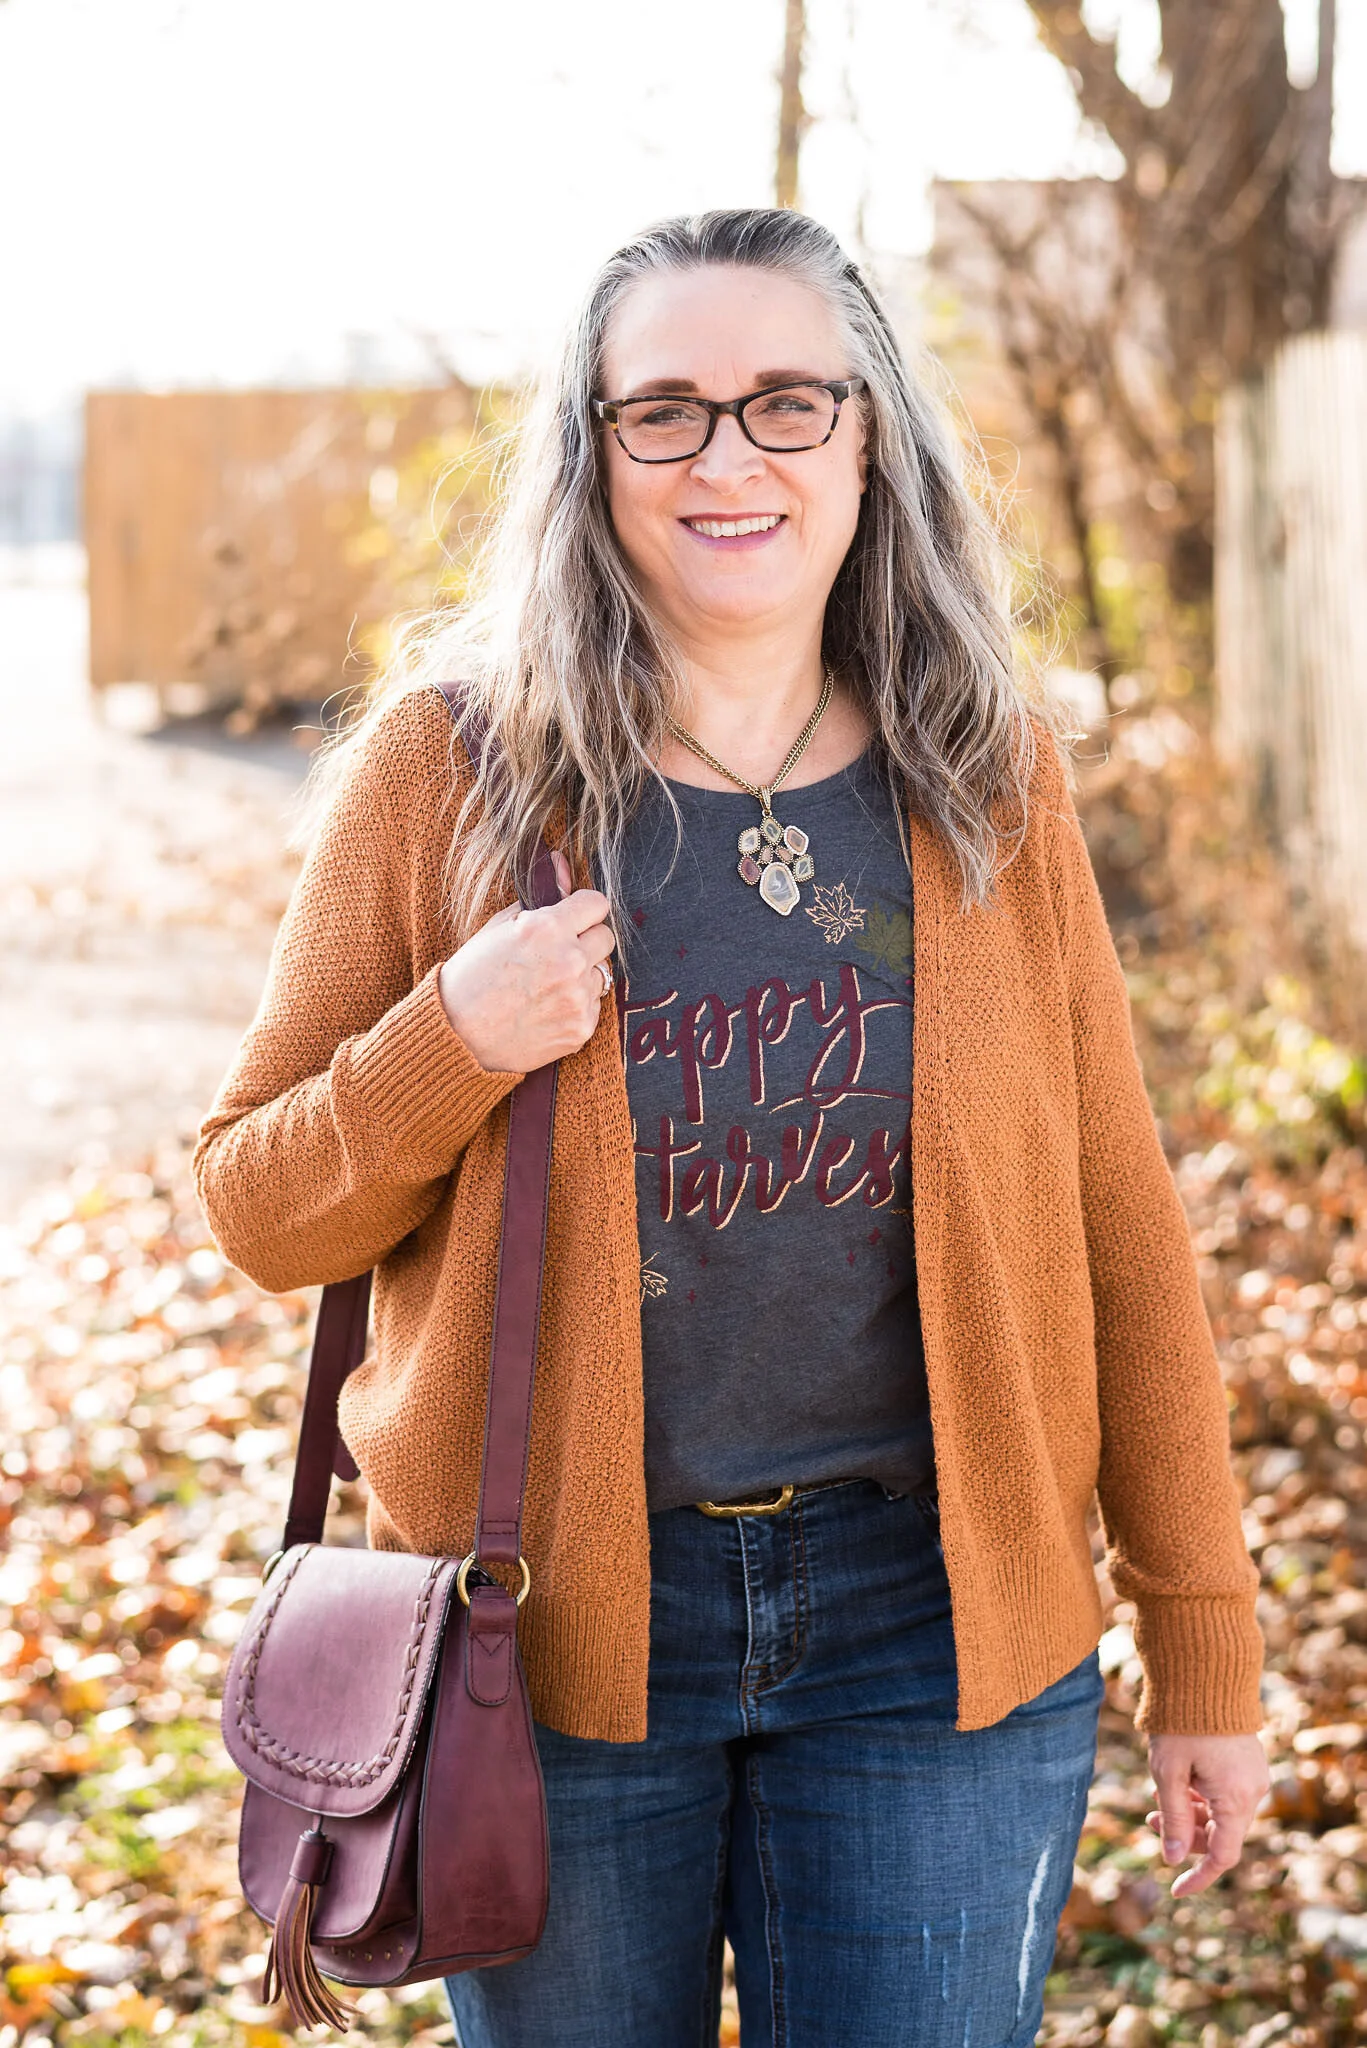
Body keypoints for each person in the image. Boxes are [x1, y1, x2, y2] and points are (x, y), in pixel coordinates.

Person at [195, 208, 1269, 2048]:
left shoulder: (983, 773)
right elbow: (257, 1206)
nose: (726, 459)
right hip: (546, 1637)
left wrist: (1202, 1639)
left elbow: (1118, 1221)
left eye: (785, 402)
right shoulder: (450, 772)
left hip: (939, 1624)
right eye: (663, 412)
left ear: (868, 435)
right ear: (591, 451)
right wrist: (451, 1040)